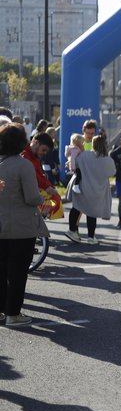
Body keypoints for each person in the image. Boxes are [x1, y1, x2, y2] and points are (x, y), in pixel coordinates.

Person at [0, 123, 49, 326]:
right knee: (19, 272)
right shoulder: (23, 165)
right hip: (21, 227)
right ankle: (13, 313)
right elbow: (31, 197)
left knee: (1, 270)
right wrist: (41, 199)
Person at [65, 136, 116, 244]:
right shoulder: (108, 160)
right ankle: (91, 237)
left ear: (93, 144)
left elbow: (75, 165)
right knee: (92, 212)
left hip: (82, 187)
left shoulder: (84, 155)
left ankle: (72, 230)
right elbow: (112, 172)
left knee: (77, 207)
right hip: (97, 190)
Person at [20, 133, 61, 214]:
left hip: (30, 197)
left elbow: (40, 175)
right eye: (44, 149)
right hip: (23, 200)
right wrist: (47, 187)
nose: (45, 153)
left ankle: (45, 213)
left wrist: (50, 187)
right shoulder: (24, 156)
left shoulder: (34, 156)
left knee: (56, 199)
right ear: (36, 143)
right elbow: (34, 175)